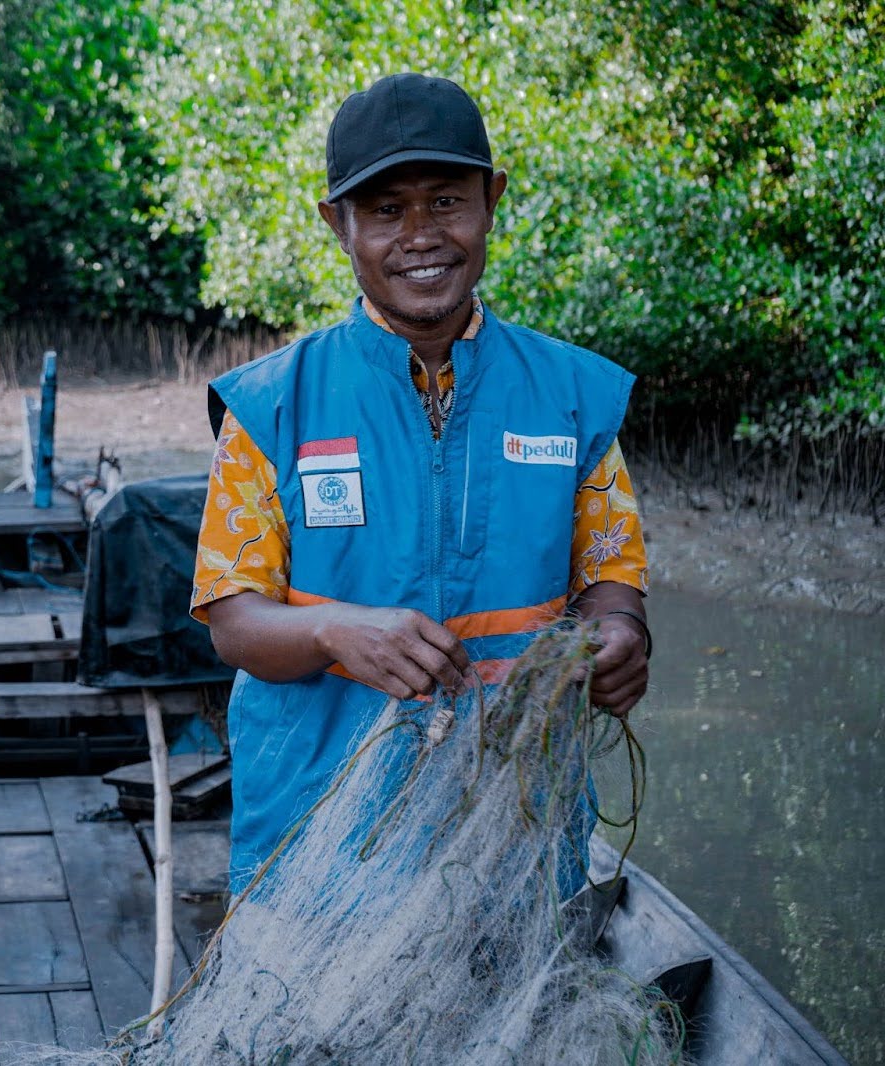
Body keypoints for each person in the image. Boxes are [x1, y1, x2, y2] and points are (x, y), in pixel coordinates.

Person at [191, 73, 651, 894]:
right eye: (385, 210)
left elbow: (610, 585)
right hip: (321, 841)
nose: (420, 235)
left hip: (518, 830)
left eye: (445, 201)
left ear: (491, 201)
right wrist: (335, 632)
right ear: (339, 225)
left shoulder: (574, 397)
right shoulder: (269, 409)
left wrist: (622, 640)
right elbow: (233, 620)